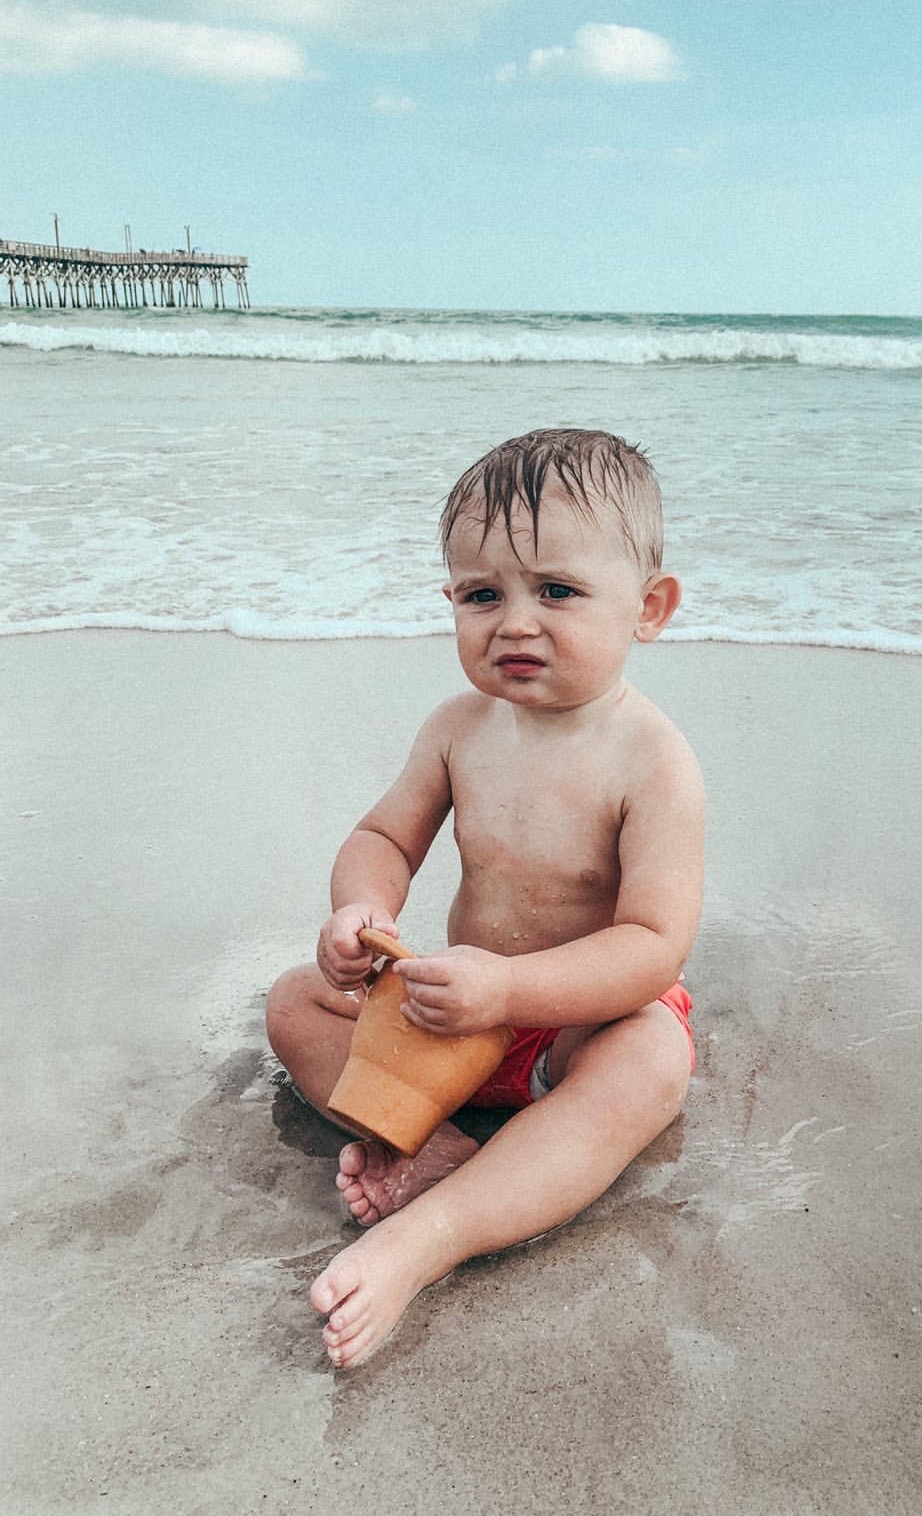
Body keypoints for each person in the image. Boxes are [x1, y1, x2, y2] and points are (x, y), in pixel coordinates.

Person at [266, 428, 704, 1369]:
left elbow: (654, 945)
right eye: (481, 594)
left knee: (653, 1060)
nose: (514, 621)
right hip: (456, 1020)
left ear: (650, 609)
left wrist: (513, 992)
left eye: (557, 591)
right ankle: (438, 1150)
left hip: (577, 1026)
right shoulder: (458, 729)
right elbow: (384, 839)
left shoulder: (654, 765)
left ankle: (435, 1231)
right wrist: (361, 914)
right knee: (296, 1002)